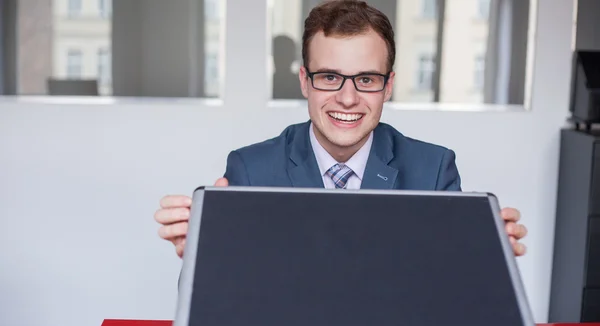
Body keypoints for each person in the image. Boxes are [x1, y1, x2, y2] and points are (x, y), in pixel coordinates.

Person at [154, 0, 528, 259]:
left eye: (366, 79)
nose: (347, 99)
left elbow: (450, 290)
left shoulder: (433, 169)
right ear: (304, 81)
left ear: (389, 85)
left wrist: (483, 259)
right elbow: (229, 297)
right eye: (329, 77)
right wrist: (204, 257)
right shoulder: (251, 169)